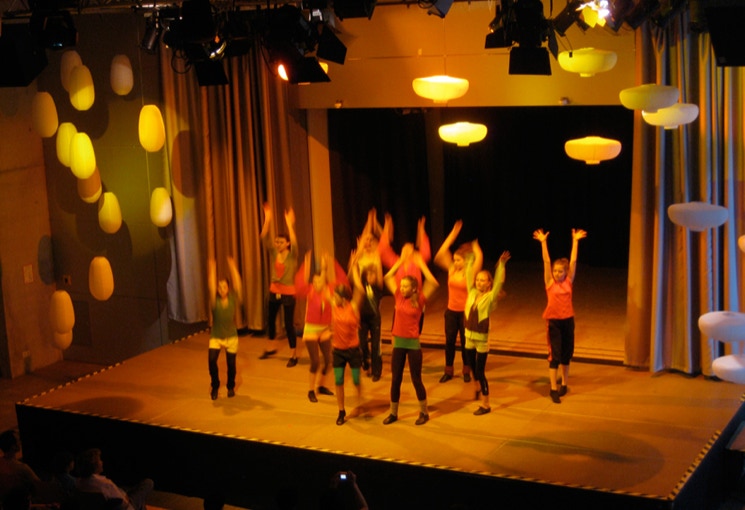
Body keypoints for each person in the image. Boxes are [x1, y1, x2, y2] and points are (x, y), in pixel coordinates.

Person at [382, 244, 439, 425]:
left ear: (414, 288)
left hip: (413, 344)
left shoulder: (420, 299)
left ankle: (424, 412)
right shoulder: (398, 296)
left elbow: (434, 283)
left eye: (405, 286)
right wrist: (399, 262)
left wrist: (421, 265)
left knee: (416, 379)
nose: (402, 288)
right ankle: (393, 413)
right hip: (398, 344)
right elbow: (387, 277)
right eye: (401, 285)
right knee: (396, 379)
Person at [533, 227, 587, 404]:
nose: (557, 273)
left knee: (566, 354)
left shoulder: (569, 281)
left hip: (568, 321)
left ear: (565, 272)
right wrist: (543, 243)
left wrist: (575, 241)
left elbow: (573, 261)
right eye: (555, 271)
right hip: (554, 322)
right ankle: (553, 388)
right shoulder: (550, 282)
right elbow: (546, 261)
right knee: (554, 355)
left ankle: (564, 383)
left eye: (560, 271)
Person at [463, 243, 510, 415]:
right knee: (471, 366)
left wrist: (501, 265)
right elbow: (468, 275)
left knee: (480, 372)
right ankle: (476, 387)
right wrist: (469, 260)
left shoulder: (490, 298)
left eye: (483, 280)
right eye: (478, 279)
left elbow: (498, 283)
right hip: (468, 337)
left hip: (481, 340)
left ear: (489, 283)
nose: (479, 282)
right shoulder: (472, 292)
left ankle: (486, 404)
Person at [434, 220, 482, 384]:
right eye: (454, 260)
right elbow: (440, 255)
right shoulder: (452, 270)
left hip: (465, 313)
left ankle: (467, 370)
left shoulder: (471, 272)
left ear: (466, 261)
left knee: (466, 343)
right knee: (449, 342)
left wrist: (475, 247)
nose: (455, 263)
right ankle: (448, 370)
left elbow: (479, 258)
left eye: (458, 260)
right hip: (451, 312)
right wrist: (453, 234)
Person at [260, 203, 300, 367]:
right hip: (274, 291)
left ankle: (293, 355)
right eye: (276, 242)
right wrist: (267, 218)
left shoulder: (292, 255)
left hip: (288, 293)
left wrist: (290, 224)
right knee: (270, 320)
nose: (277, 244)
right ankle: (271, 348)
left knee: (288, 325)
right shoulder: (274, 253)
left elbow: (295, 242)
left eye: (281, 242)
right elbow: (264, 237)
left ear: (287, 244)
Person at [296, 251, 335, 402]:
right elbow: (302, 282)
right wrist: (308, 266)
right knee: (315, 362)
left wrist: (325, 267)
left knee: (329, 360)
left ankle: (321, 386)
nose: (317, 284)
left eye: (319, 281)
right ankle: (311, 390)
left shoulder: (329, 291)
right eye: (314, 282)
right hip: (311, 329)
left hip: (324, 329)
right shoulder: (310, 291)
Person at [332, 258, 365, 425]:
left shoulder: (353, 307)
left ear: (343, 298)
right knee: (338, 380)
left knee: (356, 379)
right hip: (338, 350)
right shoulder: (334, 305)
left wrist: (355, 271)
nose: (333, 298)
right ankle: (341, 410)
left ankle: (359, 402)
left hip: (352, 349)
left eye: (336, 296)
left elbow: (360, 290)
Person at [350, 226, 384, 382]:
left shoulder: (376, 259)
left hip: (374, 314)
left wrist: (376, 266)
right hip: (361, 313)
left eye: (371, 240)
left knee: (376, 344)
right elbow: (354, 278)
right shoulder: (358, 259)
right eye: (366, 239)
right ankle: (365, 361)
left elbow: (380, 281)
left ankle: (377, 371)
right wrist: (356, 257)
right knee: (362, 343)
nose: (368, 242)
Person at [208, 256, 242, 400]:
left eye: (224, 287)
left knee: (231, 365)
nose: (222, 289)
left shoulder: (233, 299)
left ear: (228, 288)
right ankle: (215, 385)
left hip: (231, 337)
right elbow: (211, 285)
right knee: (211, 361)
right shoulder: (214, 301)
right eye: (219, 287)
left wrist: (233, 267)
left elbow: (238, 284)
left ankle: (230, 387)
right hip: (216, 337)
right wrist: (212, 269)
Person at [74, 448, 153, 510]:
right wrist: (126, 497)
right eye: (100, 460)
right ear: (95, 465)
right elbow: (124, 504)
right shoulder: (105, 484)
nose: (102, 462)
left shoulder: (78, 483)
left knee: (139, 499)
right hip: (126, 507)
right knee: (148, 483)